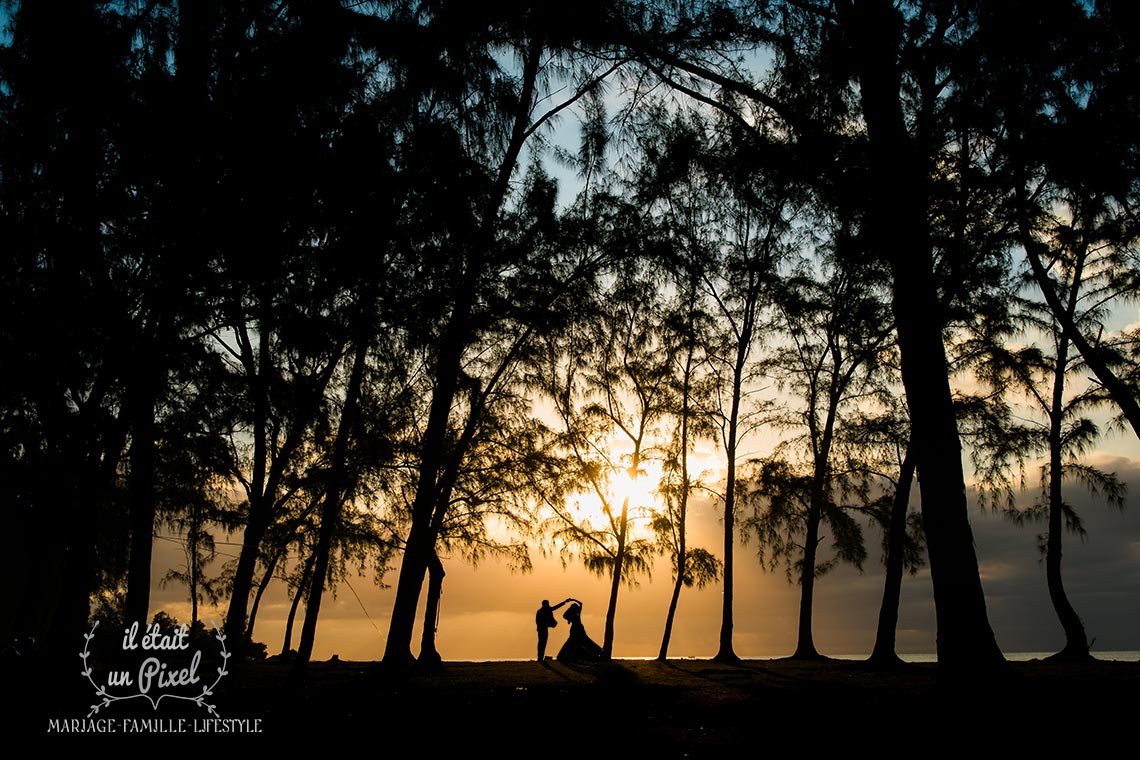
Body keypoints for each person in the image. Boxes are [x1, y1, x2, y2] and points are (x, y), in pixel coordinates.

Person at [556, 601, 603, 667]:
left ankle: (595, 654)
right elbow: (565, 615)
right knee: (578, 642)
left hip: (578, 629)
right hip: (577, 629)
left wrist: (574, 601)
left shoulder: (575, 614)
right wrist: (574, 601)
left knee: (583, 641)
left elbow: (580, 604)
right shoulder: (575, 614)